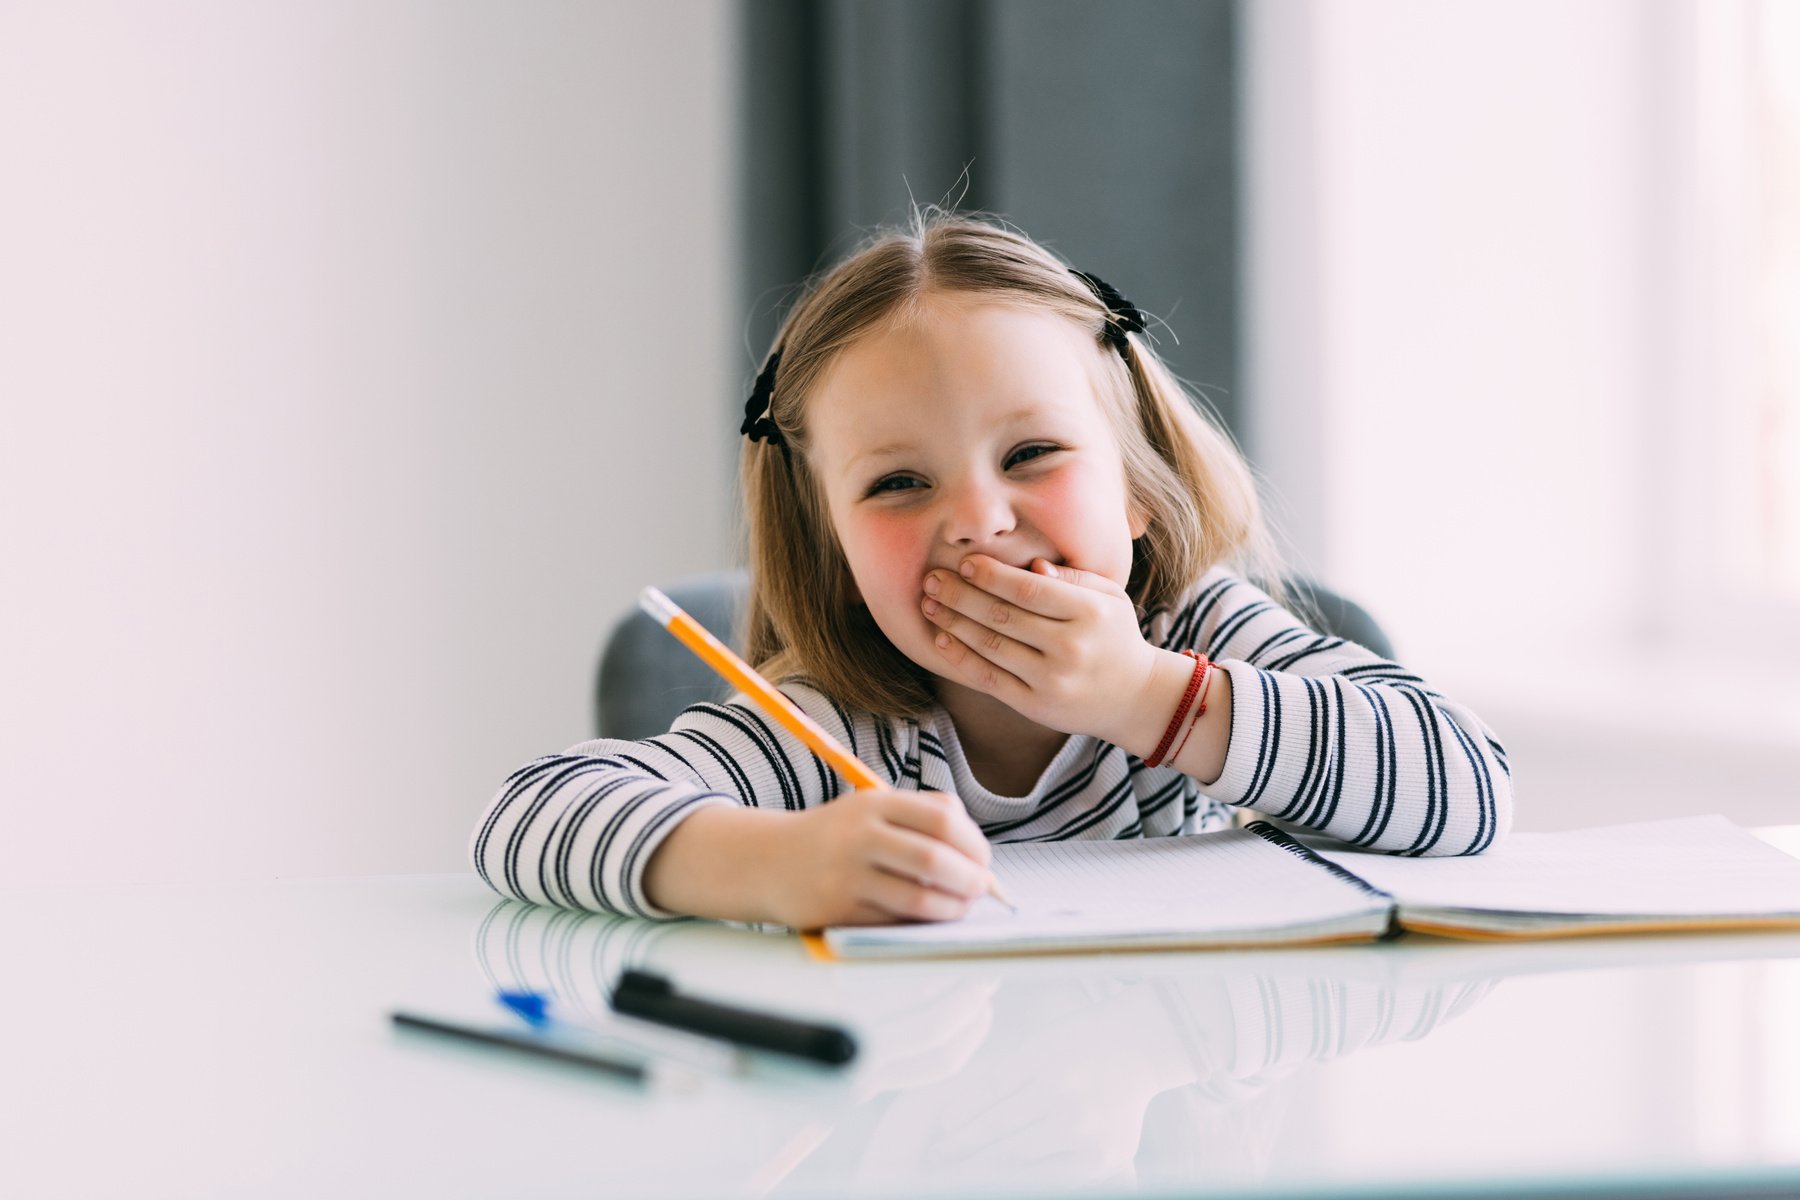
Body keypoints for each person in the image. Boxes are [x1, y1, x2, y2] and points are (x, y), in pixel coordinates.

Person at [470, 209, 1512, 929]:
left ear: (1137, 490)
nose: (977, 519)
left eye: (1030, 456)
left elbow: (1468, 790)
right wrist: (781, 865)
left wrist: (1150, 698)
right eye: (897, 485)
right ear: (831, 553)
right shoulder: (830, 726)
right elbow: (526, 817)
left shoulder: (1197, 635)